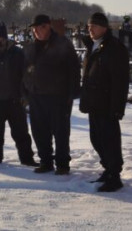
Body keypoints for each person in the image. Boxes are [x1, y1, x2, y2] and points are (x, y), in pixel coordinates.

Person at [22, 14, 81, 174]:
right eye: (33, 29)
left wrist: (72, 92)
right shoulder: (31, 47)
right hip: (36, 96)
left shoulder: (62, 44)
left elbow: (74, 69)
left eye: (38, 28)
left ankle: (62, 163)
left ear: (47, 27)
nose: (35, 32)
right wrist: (26, 92)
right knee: (39, 131)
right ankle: (46, 161)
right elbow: (24, 71)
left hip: (58, 96)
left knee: (60, 131)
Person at [79, 12, 130, 192]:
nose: (90, 29)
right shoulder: (93, 46)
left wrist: (117, 107)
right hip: (94, 102)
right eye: (89, 26)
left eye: (94, 26)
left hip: (107, 104)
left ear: (104, 28)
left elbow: (120, 81)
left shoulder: (114, 48)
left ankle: (114, 176)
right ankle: (108, 169)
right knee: (96, 139)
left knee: (110, 141)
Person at [0, 23, 37, 166]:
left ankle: (26, 158)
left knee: (21, 133)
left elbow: (27, 75)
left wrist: (26, 95)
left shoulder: (17, 53)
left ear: (5, 38)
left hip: (15, 100)